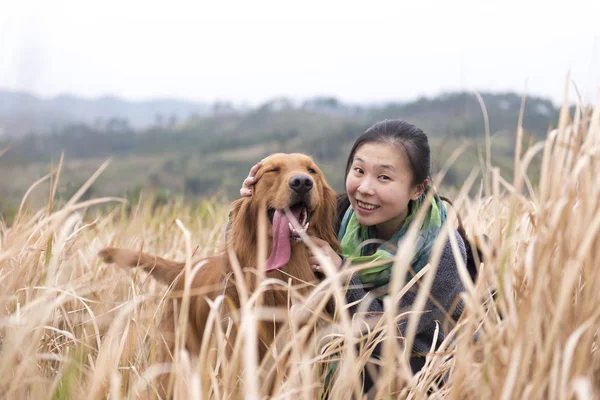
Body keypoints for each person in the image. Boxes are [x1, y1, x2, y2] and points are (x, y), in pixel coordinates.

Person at [237, 119, 470, 392]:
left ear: (417, 188)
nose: (365, 188)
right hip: (350, 358)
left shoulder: (443, 249)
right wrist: (254, 203)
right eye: (359, 171)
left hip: (431, 371)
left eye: (384, 177)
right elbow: (250, 247)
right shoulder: (336, 215)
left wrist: (343, 273)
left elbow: (395, 331)